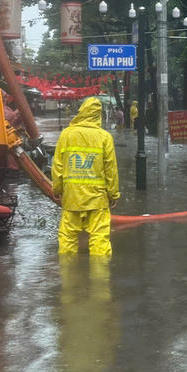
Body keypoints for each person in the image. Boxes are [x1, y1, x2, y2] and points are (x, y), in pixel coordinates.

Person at [52, 96, 120, 256]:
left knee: (67, 240)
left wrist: (57, 189)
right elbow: (110, 169)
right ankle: (100, 278)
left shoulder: (66, 135)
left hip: (71, 197)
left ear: (81, 112)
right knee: (100, 240)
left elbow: (57, 166)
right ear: (99, 116)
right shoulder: (105, 137)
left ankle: (68, 276)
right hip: (97, 198)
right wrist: (113, 193)